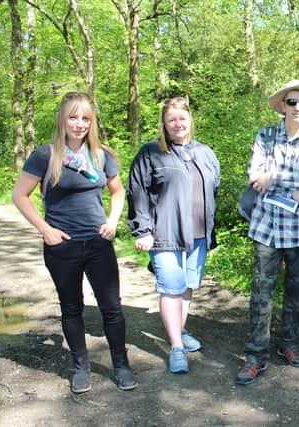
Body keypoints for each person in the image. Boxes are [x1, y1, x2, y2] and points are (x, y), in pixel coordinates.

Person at [12, 92, 137, 393]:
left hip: (97, 245)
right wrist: (45, 230)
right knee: (71, 309)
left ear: (91, 123)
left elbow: (118, 192)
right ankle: (81, 367)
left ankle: (121, 365)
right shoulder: (46, 155)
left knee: (112, 309)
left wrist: (111, 221)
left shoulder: (100, 155)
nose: (79, 124)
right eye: (73, 117)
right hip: (62, 248)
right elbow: (19, 195)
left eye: (85, 118)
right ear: (62, 119)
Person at [235, 80, 299, 385]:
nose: (298, 108)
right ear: (282, 105)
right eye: (292, 102)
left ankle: (289, 343)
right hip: (266, 227)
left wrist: (274, 175)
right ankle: (255, 356)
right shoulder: (265, 136)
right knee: (261, 294)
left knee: (297, 292)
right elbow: (255, 177)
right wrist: (294, 185)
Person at [127, 96, 220, 374]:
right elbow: (137, 191)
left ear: (190, 120)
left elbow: (214, 187)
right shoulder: (151, 152)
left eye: (182, 118)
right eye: (172, 120)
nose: (178, 124)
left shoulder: (205, 152)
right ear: (164, 125)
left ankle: (178, 331)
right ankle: (177, 347)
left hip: (200, 234)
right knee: (171, 287)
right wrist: (142, 230)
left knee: (187, 284)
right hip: (164, 233)